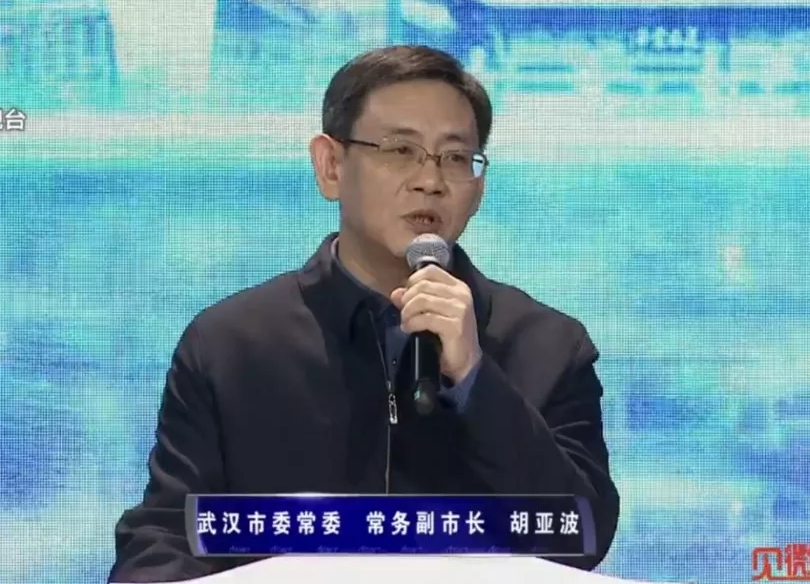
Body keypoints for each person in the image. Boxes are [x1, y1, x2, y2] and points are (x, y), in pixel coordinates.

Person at [108, 45, 620, 583]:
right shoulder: (232, 345)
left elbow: (581, 536)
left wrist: (476, 381)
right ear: (331, 166)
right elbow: (167, 537)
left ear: (479, 188)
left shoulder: (548, 345)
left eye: (455, 158)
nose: (430, 180)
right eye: (401, 150)